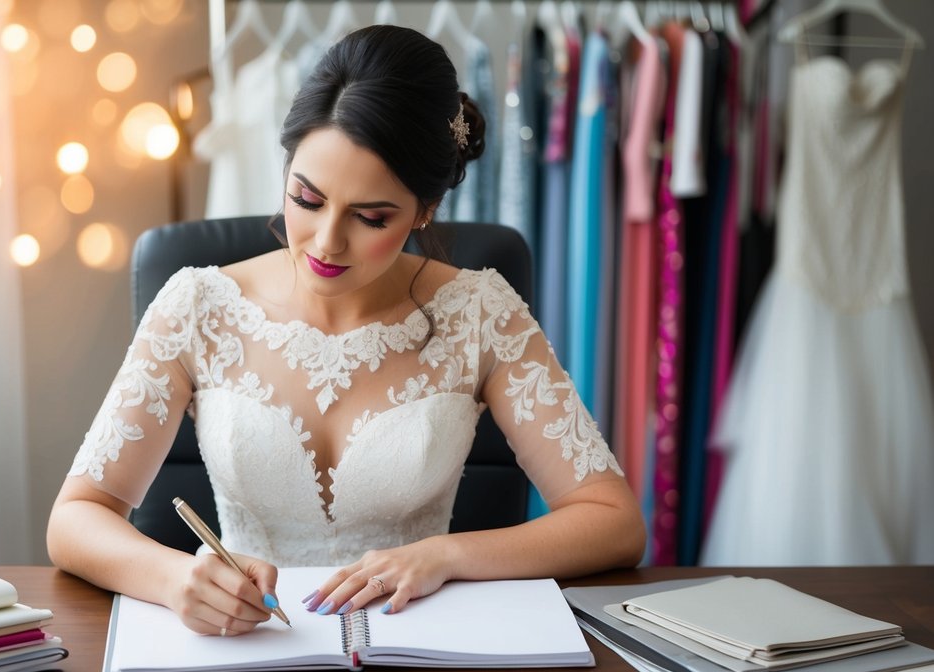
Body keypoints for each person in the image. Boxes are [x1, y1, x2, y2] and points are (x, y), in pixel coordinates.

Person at [48, 25, 645, 636]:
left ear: (425, 209)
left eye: (370, 217)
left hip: (421, 648)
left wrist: (450, 554)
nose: (327, 241)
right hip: (248, 649)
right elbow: (75, 520)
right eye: (307, 200)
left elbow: (612, 521)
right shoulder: (199, 304)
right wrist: (176, 578)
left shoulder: (480, 312)